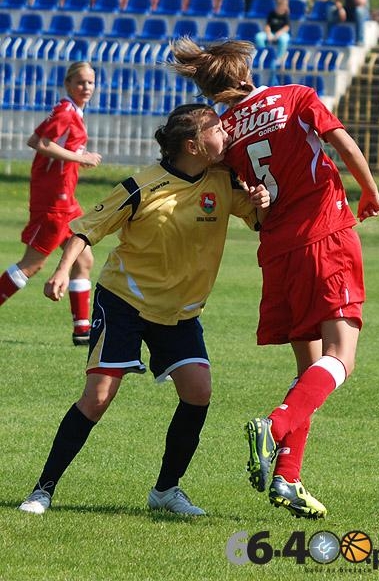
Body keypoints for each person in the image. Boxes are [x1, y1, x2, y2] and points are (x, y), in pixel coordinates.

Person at [19, 103, 270, 517]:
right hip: (124, 302)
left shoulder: (225, 181)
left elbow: (261, 219)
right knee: (98, 398)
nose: (225, 131)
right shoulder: (141, 186)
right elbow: (85, 229)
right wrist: (62, 272)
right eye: (215, 127)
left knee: (198, 391)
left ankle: (166, 490)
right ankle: (42, 490)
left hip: (180, 312)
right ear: (192, 144)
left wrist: (261, 200)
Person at [169, 37, 379, 520]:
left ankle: (287, 477)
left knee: (309, 365)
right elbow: (343, 142)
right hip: (324, 233)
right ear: (244, 75)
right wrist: (369, 191)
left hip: (278, 251)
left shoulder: (223, 132)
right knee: (342, 357)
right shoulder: (295, 97)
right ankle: (276, 424)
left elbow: (229, 188)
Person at [0, 61, 102, 346]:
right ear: (68, 84)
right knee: (32, 264)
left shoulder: (73, 111)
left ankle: (82, 330)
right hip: (53, 202)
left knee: (83, 258)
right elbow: (40, 142)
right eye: (80, 82)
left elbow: (41, 140)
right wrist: (81, 158)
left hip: (66, 199)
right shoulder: (65, 111)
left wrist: (74, 159)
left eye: (91, 82)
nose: (86, 87)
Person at [255, 0, 290, 64]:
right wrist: (269, 34)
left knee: (284, 39)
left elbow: (286, 27)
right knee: (259, 37)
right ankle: (264, 55)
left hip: (281, 34)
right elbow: (267, 25)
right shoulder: (272, 13)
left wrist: (278, 34)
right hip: (271, 33)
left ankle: (279, 58)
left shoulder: (286, 14)